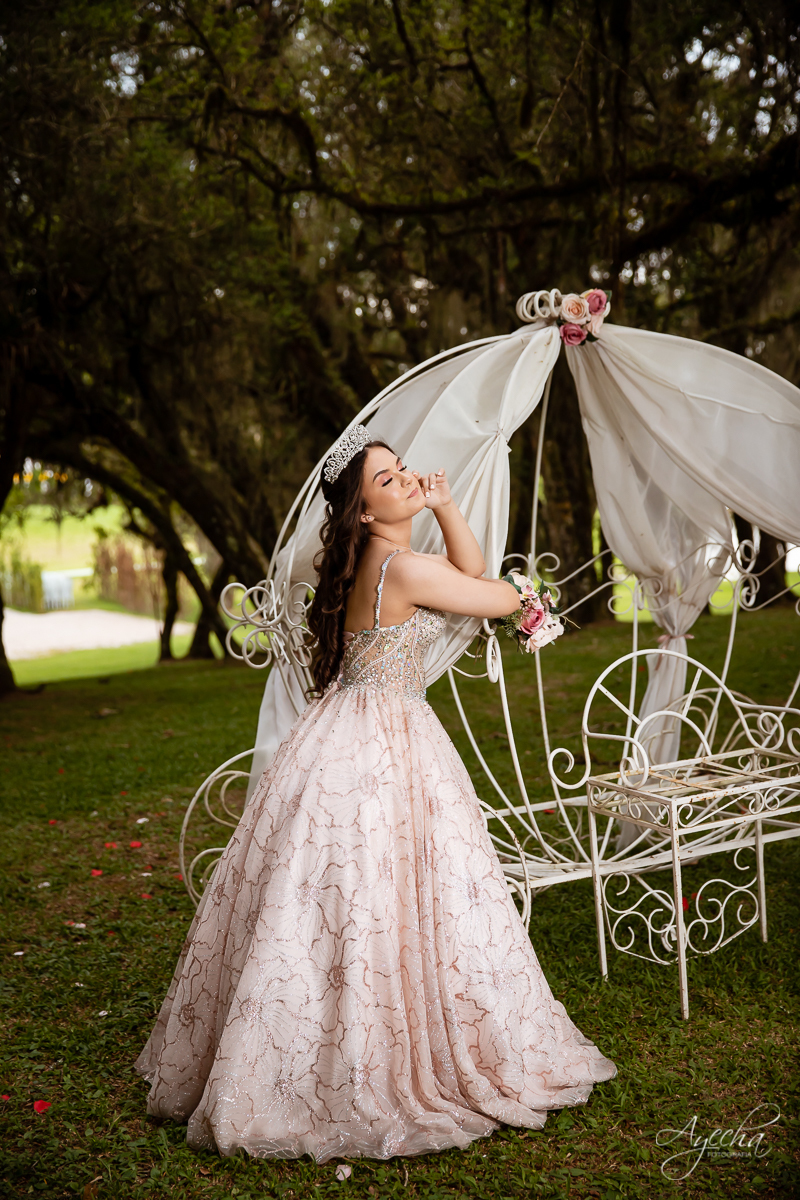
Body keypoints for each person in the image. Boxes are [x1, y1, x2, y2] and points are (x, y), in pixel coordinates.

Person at [135, 427, 617, 1163]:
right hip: (386, 737)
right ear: (362, 511)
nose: (406, 482)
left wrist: (447, 504)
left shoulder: (376, 560)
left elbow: (471, 571)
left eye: (401, 470)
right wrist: (524, 597)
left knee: (346, 888)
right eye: (387, 481)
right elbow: (488, 591)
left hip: (344, 727)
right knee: (385, 882)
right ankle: (362, 1049)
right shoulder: (404, 567)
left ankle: (330, 1017)